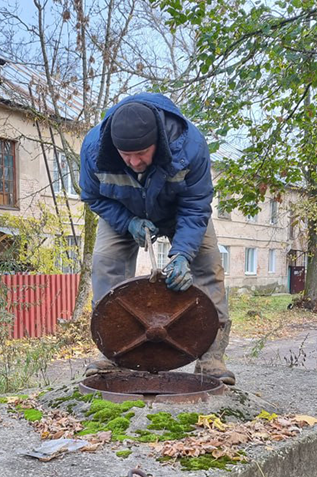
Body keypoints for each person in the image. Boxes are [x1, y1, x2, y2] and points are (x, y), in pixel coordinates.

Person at [79, 93, 234, 385]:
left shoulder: (190, 146)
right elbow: (92, 196)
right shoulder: (92, 149)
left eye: (142, 153)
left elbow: (197, 203)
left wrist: (183, 255)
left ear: (158, 142)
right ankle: (113, 355)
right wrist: (128, 222)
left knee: (208, 266)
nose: (135, 162)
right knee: (105, 264)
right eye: (127, 155)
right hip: (123, 210)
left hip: (180, 212)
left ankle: (212, 358)